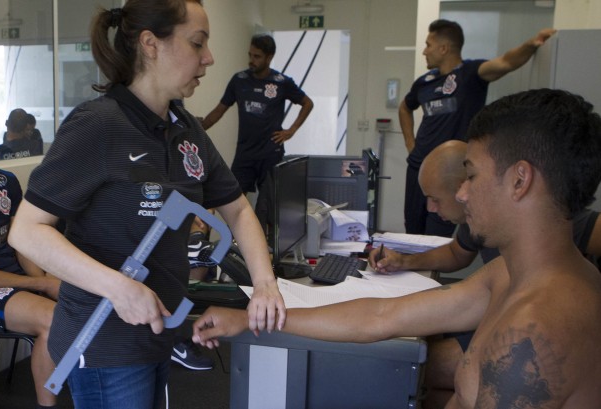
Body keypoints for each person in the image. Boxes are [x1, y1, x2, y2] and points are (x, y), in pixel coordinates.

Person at [193, 89, 601, 408]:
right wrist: (249, 320)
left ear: (519, 180)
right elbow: (380, 316)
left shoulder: (537, 328)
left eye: (472, 176)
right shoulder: (508, 275)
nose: (462, 192)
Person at [8, 2, 285, 408]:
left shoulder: (184, 127)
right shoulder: (98, 125)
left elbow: (238, 209)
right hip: (106, 341)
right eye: (197, 43)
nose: (208, 58)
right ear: (151, 44)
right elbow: (27, 231)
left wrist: (265, 283)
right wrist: (119, 288)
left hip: (157, 332)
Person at [369, 139, 601, 408]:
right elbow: (457, 253)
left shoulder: (557, 222)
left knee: (415, 363)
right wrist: (405, 262)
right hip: (498, 312)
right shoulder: (480, 224)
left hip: (532, 328)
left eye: (435, 198)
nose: (431, 209)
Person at [400, 19, 556, 237]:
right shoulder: (424, 82)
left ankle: (430, 269)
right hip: (419, 166)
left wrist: (531, 44)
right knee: (412, 228)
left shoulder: (471, 74)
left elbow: (506, 62)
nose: (425, 51)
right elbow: (405, 108)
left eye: (428, 45)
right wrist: (411, 144)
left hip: (449, 171)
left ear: (443, 48)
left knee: (437, 232)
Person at [0, 140, 60, 408]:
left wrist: (49, 280)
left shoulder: (6, 181)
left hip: (22, 277)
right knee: (52, 321)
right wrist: (42, 283)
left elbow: (21, 243)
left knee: (86, 294)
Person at [201, 34, 314, 195]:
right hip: (244, 153)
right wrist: (200, 127)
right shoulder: (239, 80)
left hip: (270, 154)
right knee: (231, 197)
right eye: (250, 55)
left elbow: (308, 103)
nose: (252, 60)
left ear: (269, 57)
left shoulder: (281, 82)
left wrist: (291, 130)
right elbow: (220, 110)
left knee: (269, 205)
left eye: (257, 56)